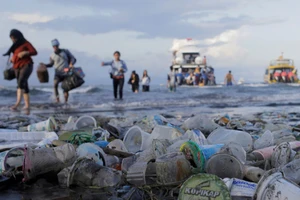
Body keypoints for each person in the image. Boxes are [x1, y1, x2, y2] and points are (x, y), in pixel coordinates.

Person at [3, 29, 37, 112]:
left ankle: (17, 104)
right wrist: (12, 59)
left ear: (18, 36)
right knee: (24, 85)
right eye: (12, 38)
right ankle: (27, 105)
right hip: (16, 67)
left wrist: (26, 52)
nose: (13, 40)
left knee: (20, 82)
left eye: (14, 38)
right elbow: (15, 55)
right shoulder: (14, 46)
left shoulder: (26, 43)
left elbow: (34, 51)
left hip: (26, 65)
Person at [42, 39, 76, 103]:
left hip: (66, 72)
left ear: (58, 45)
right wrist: (45, 65)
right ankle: (58, 101)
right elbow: (51, 64)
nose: (55, 47)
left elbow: (73, 58)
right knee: (55, 85)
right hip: (57, 74)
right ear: (52, 47)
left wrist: (71, 63)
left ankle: (66, 102)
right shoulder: (52, 55)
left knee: (66, 88)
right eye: (54, 46)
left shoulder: (65, 51)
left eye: (56, 46)